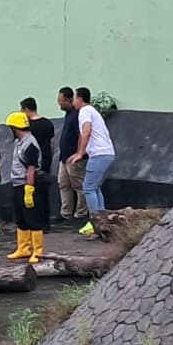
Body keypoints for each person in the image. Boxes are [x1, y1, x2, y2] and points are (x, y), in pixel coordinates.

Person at [67, 86, 116, 234]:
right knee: (95, 187)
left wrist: (80, 153)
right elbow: (83, 134)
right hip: (106, 153)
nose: (73, 101)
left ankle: (95, 223)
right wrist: (78, 152)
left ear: (79, 98)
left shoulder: (85, 111)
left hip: (99, 154)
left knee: (88, 188)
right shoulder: (91, 111)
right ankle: (103, 220)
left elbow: (86, 131)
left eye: (74, 98)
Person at [5, 112, 49, 263]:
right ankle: (23, 248)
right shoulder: (19, 142)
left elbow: (31, 169)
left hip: (27, 185)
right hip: (17, 184)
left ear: (15, 127)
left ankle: (37, 251)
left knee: (33, 218)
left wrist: (29, 190)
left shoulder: (30, 144)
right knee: (21, 218)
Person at [56, 87, 88, 221]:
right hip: (64, 157)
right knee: (63, 183)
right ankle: (66, 212)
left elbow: (81, 134)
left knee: (79, 185)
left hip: (74, 157)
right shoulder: (68, 114)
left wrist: (79, 153)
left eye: (61, 100)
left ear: (69, 100)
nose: (59, 103)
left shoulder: (77, 115)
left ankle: (81, 213)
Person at [21, 97, 55, 176]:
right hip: (46, 162)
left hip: (32, 164)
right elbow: (52, 144)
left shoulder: (27, 126)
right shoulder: (48, 123)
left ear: (26, 109)